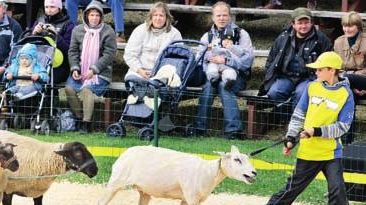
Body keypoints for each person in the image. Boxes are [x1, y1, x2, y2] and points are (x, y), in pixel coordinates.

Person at [246, 52, 354, 205]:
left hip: (331, 153)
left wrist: (317, 131)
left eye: (320, 69)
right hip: (308, 152)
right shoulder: (312, 87)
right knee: (290, 191)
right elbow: (299, 114)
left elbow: (343, 126)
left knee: (338, 193)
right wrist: (291, 137)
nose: (316, 72)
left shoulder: (346, 94)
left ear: (332, 71)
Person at [193, 1, 253, 139]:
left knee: (224, 85)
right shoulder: (207, 36)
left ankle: (233, 131)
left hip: (236, 76)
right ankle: (199, 128)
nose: (221, 18)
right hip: (213, 73)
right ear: (213, 17)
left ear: (230, 16)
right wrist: (208, 60)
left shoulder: (241, 34)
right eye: (218, 15)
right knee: (208, 87)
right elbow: (199, 60)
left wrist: (227, 61)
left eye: (225, 15)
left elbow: (248, 61)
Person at [258, 7, 332, 108]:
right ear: (293, 24)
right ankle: (286, 116)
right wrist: (271, 76)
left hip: (309, 78)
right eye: (300, 23)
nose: (303, 26)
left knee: (301, 94)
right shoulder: (283, 38)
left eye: (306, 22)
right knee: (275, 92)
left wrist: (320, 79)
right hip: (286, 77)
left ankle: (296, 121)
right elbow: (271, 59)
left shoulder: (322, 39)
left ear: (311, 23)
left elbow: (329, 62)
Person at [65, 0, 117, 133]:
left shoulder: (108, 31)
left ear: (101, 17)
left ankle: (86, 125)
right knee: (69, 88)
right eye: (92, 15)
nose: (94, 18)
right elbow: (73, 51)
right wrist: (75, 68)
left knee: (87, 90)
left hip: (100, 73)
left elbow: (109, 54)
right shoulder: (78, 30)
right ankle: (79, 118)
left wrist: (94, 70)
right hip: (81, 70)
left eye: (97, 15)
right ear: (86, 15)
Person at [123, 2, 182, 81]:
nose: (158, 18)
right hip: (139, 72)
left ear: (166, 17)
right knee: (133, 80)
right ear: (151, 17)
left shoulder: (174, 33)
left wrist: (162, 72)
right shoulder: (140, 30)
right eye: (155, 15)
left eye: (161, 15)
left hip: (162, 73)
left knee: (169, 82)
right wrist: (139, 70)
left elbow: (178, 58)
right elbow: (129, 54)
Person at [334, 11, 366, 144]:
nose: (347, 29)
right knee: (348, 95)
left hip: (363, 81)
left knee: (347, 80)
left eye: (351, 26)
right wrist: (352, 87)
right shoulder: (338, 42)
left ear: (358, 26)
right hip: (348, 85)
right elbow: (336, 68)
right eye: (345, 26)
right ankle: (347, 141)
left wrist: (354, 79)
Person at [31, 0, 74, 84]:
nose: (49, 10)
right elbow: (30, 45)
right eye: (46, 7)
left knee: (47, 79)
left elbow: (69, 50)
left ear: (59, 8)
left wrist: (56, 35)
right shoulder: (39, 21)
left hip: (60, 64)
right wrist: (34, 34)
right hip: (40, 61)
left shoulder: (68, 24)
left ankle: (51, 96)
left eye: (52, 7)